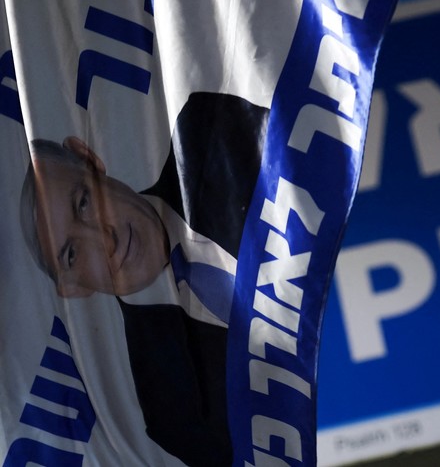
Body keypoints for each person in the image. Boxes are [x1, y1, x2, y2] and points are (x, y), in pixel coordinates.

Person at [19, 92, 269, 467]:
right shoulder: (164, 405)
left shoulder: (211, 128)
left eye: (83, 202)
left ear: (89, 157)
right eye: (72, 253)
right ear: (71, 287)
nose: (105, 241)